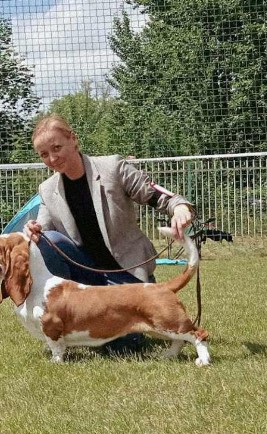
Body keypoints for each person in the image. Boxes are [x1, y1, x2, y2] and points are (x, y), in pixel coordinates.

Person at [23, 114, 194, 353]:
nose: (52, 158)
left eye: (57, 147)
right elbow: (42, 228)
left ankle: (104, 328)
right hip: (86, 279)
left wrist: (179, 207)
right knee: (48, 240)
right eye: (44, 154)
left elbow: (155, 194)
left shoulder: (112, 167)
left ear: (74, 139)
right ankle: (63, 320)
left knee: (123, 347)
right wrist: (32, 230)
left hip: (126, 276)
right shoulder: (47, 189)